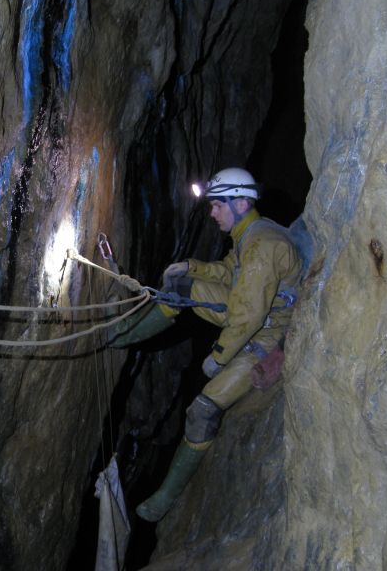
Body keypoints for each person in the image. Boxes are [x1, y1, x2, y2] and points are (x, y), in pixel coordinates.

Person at [109, 167, 302, 522]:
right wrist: (191, 267)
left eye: (217, 206)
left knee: (202, 410)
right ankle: (123, 335)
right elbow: (230, 274)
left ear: (241, 202)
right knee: (181, 288)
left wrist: (218, 356)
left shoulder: (262, 246)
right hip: (253, 320)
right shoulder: (251, 234)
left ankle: (165, 498)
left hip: (265, 339)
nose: (212, 214)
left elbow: (246, 316)